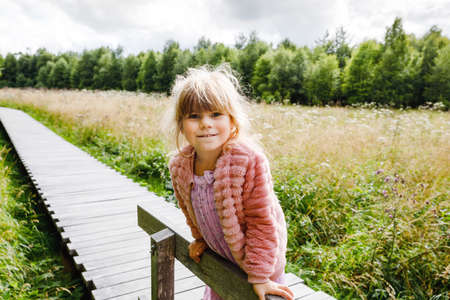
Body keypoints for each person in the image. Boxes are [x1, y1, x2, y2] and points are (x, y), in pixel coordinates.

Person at [168, 64, 294, 300]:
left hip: (261, 262)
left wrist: (259, 276)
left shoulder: (248, 161)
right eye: (194, 116)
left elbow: (262, 222)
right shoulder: (180, 166)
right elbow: (190, 208)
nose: (206, 123)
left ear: (232, 121)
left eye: (216, 114)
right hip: (223, 256)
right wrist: (200, 238)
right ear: (181, 125)